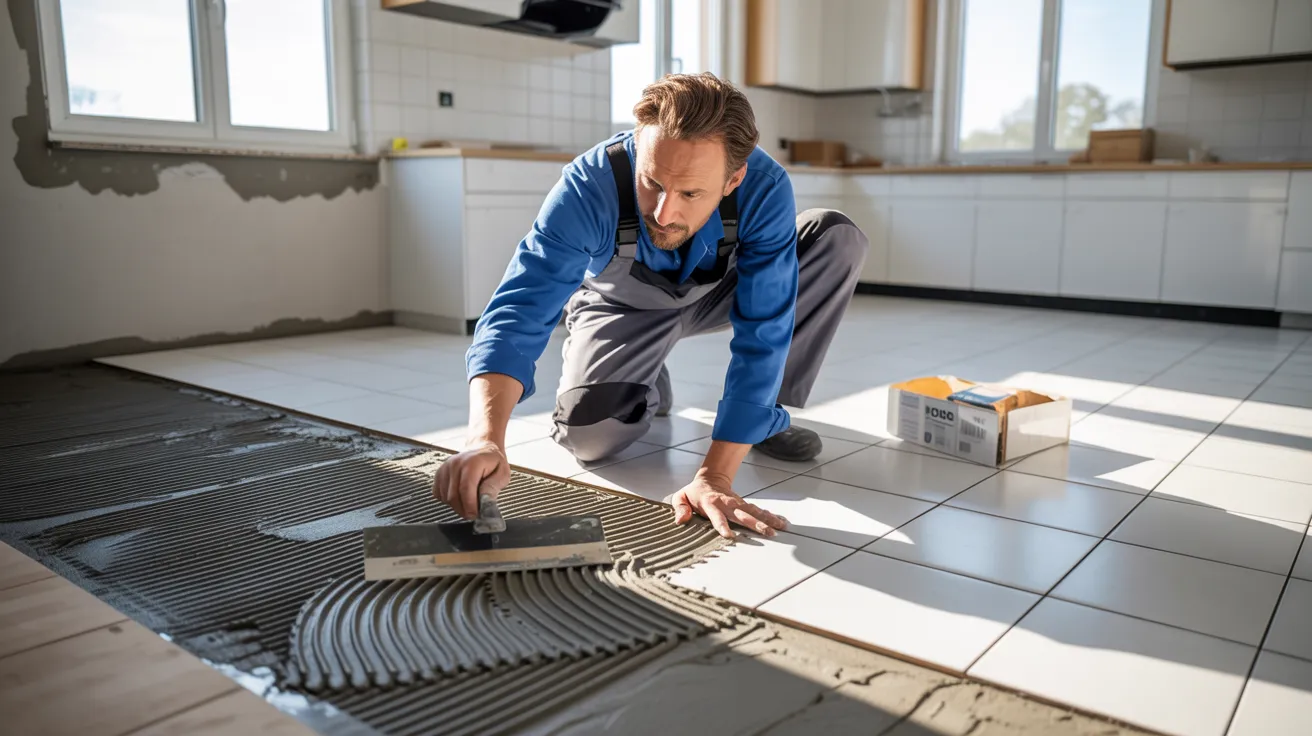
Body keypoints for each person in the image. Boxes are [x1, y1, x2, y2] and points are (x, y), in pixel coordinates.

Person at [433, 72, 868, 539]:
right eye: (652, 183)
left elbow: (766, 325)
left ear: (733, 178)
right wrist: (486, 438)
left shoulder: (763, 186)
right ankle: (645, 372)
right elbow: (520, 308)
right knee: (591, 439)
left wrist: (715, 477)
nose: (663, 213)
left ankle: (764, 419)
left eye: (690, 194)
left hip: (720, 294)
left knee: (834, 236)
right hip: (623, 307)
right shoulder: (588, 184)